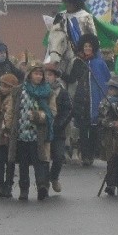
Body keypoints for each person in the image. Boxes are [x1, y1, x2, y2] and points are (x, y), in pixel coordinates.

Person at [6, 62, 58, 201]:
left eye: (41, 74)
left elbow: (52, 112)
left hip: (39, 134)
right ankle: (24, 189)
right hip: (21, 133)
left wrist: (39, 116)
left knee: (40, 161)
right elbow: (11, 110)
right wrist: (8, 125)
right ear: (29, 75)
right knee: (23, 163)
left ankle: (42, 186)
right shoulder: (18, 91)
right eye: (36, 73)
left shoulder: (48, 92)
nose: (39, 76)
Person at [64, 33, 110, 166]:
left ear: (93, 47)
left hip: (95, 101)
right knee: (83, 130)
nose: (87, 48)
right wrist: (59, 74)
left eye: (90, 46)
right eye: (85, 46)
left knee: (94, 129)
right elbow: (72, 79)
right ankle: (85, 156)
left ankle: (91, 153)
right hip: (81, 101)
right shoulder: (78, 62)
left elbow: (105, 80)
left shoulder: (99, 63)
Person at [98, 74, 118, 196]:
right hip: (110, 136)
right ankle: (110, 185)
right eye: (109, 88)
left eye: (113, 89)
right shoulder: (105, 102)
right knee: (111, 161)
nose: (110, 91)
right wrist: (112, 124)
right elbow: (101, 119)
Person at [45, 64, 73, 192]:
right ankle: (43, 182)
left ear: (55, 77)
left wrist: (59, 124)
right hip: (43, 129)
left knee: (58, 156)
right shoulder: (39, 91)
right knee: (43, 158)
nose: (47, 77)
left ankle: (54, 177)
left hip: (58, 130)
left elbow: (68, 110)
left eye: (50, 75)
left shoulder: (61, 92)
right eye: (45, 74)